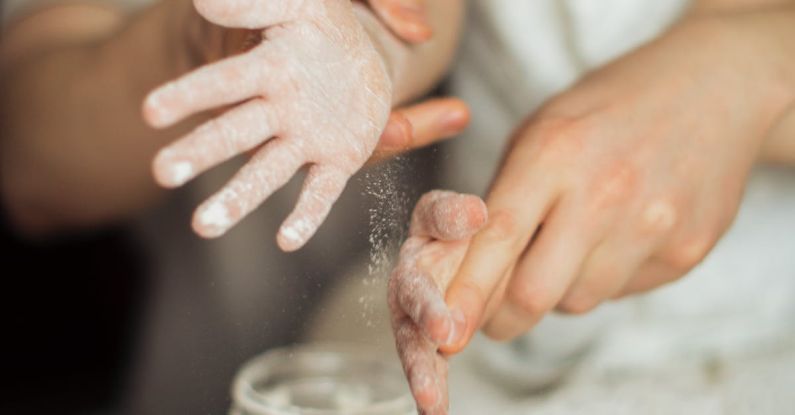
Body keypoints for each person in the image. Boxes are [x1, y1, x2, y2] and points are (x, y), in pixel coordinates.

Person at [0, 1, 467, 413]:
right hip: (217, 352)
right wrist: (188, 41)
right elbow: (26, 167)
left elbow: (432, 18)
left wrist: (376, 49)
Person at [385, 1, 795, 414]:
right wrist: (369, 47)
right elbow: (418, 17)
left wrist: (744, 69)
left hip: (773, 333)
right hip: (498, 330)